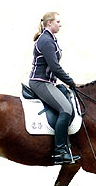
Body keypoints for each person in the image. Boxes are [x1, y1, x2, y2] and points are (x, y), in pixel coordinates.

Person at [29, 12, 81, 164]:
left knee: (66, 96)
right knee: (66, 109)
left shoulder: (51, 39)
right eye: (58, 21)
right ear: (49, 23)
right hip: (40, 82)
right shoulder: (46, 40)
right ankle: (59, 151)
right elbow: (55, 67)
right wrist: (71, 82)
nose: (60, 24)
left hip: (48, 82)